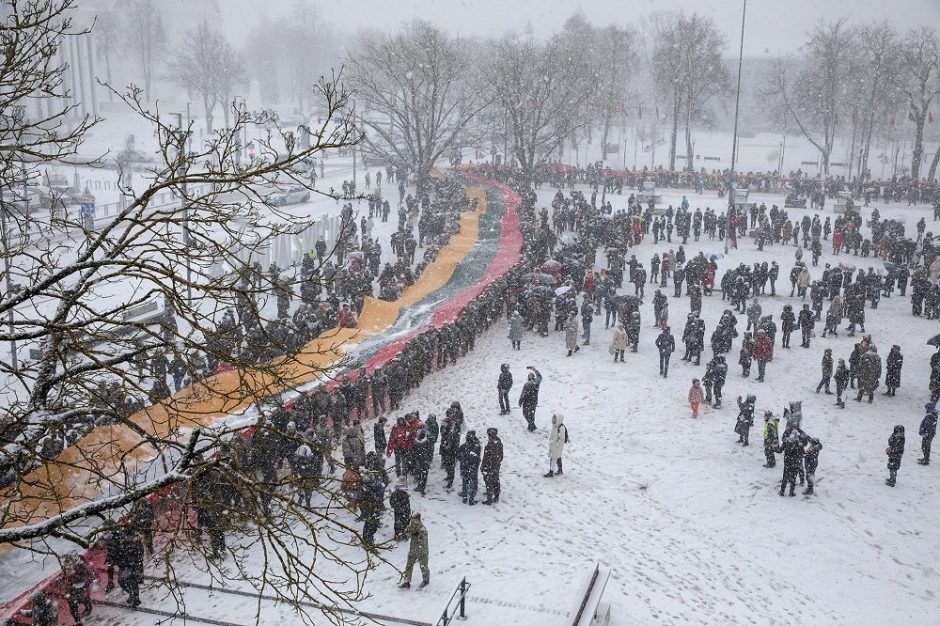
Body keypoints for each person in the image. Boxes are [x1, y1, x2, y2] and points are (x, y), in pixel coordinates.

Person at [399, 512, 430, 589]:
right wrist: (405, 533)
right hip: (413, 550)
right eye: (412, 520)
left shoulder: (422, 529)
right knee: (409, 566)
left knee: (423, 566)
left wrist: (417, 534)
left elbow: (423, 541)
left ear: (418, 520)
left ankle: (426, 580)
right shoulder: (412, 526)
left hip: (422, 551)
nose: (412, 521)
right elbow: (407, 535)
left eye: (414, 520)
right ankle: (407, 581)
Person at [457, 430, 481, 505]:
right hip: (473, 467)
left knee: (465, 481)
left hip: (465, 466)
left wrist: (462, 459)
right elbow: (477, 457)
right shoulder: (476, 446)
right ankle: (471, 499)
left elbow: (458, 454)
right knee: (472, 483)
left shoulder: (464, 445)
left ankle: (464, 497)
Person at [778, 429, 803, 497]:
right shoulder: (800, 444)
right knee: (793, 478)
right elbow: (802, 454)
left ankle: (782, 491)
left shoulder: (786, 442)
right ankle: (791, 492)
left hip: (787, 463)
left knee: (785, 478)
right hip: (795, 463)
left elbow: (780, 450)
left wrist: (773, 448)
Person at [481, 427, 503, 504]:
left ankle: (489, 498)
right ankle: (496, 496)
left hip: (490, 466)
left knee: (488, 481)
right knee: (496, 480)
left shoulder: (491, 444)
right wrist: (498, 463)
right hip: (496, 466)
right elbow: (501, 456)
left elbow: (486, 457)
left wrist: (483, 466)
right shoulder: (498, 441)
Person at [518, 366, 542, 432]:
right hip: (533, 401)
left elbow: (523, 394)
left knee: (526, 413)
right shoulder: (537, 382)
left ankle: (531, 425)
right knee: (531, 413)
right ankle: (531, 425)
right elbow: (539, 376)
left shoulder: (528, 384)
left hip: (528, 401)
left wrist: (520, 401)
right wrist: (534, 369)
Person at [545, 413, 569, 477]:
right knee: (557, 457)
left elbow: (561, 438)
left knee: (553, 458)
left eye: (555, 419)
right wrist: (551, 440)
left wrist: (556, 445)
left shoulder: (561, 427)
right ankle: (560, 470)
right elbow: (552, 434)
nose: (553, 420)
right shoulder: (555, 426)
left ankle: (551, 471)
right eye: (553, 419)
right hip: (553, 445)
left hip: (556, 446)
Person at [411, 426, 433, 495]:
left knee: (422, 474)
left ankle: (421, 487)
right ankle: (421, 487)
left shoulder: (425, 441)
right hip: (421, 460)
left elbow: (430, 451)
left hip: (422, 460)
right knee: (422, 474)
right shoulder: (424, 441)